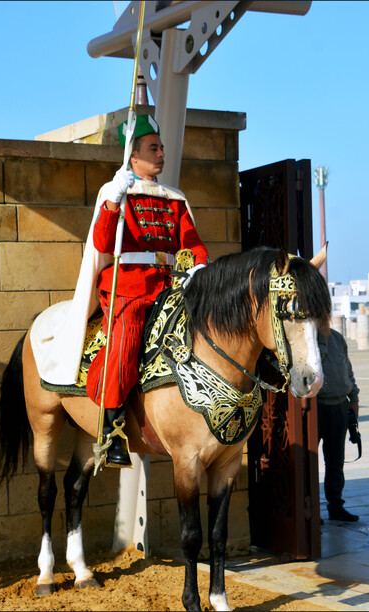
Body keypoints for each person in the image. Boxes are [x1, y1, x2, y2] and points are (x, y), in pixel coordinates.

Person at [88, 115, 210, 467]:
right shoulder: (118, 192)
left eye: (162, 148)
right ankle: (110, 430)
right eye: (153, 148)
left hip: (169, 283)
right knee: (126, 344)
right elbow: (102, 242)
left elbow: (192, 241)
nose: (161, 154)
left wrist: (199, 265)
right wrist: (113, 202)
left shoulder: (174, 198)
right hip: (129, 285)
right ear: (134, 156)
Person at [316, 328, 360, 522]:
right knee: (307, 463)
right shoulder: (307, 337)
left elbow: (347, 369)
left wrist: (354, 398)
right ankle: (309, 510)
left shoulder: (337, 337)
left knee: (335, 461)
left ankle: (336, 506)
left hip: (340, 405)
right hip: (316, 406)